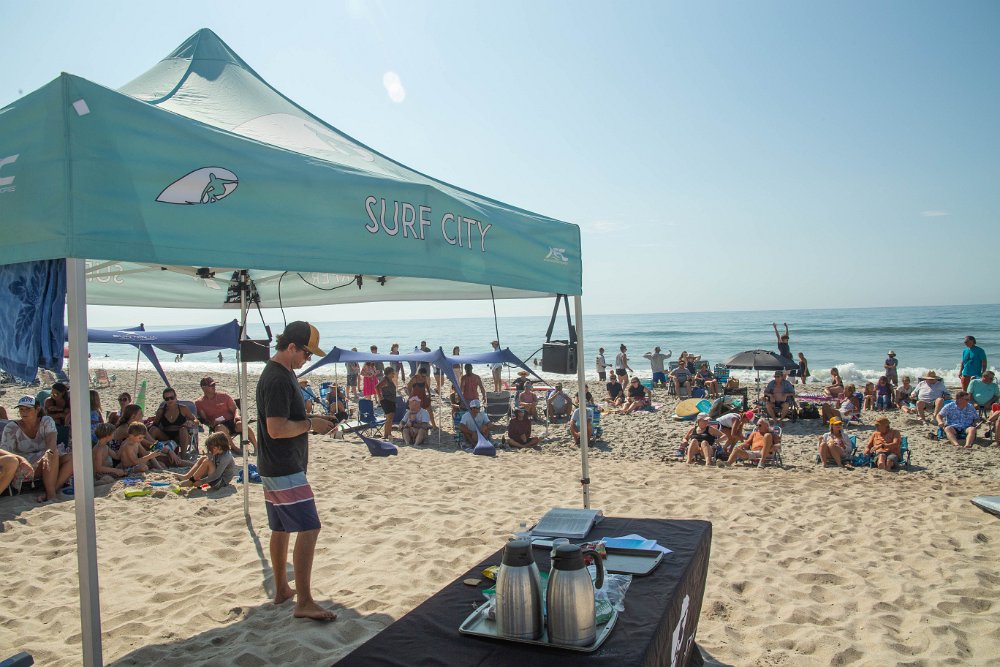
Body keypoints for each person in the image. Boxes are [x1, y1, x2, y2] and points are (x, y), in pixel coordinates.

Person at [256, 320, 339, 621]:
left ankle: (281, 589)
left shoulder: (283, 372)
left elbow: (284, 420)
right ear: (291, 347)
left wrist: (314, 421)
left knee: (281, 528)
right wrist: (310, 424)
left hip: (275, 464)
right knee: (309, 527)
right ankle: (304, 601)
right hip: (283, 466)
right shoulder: (277, 378)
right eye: (307, 353)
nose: (308, 359)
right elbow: (276, 429)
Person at [1, 396, 74, 501]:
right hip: (24, 463)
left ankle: (50, 491)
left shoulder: (46, 421)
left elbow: (51, 441)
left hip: (46, 457)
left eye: (28, 409)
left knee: (69, 457)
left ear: (37, 409)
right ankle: (51, 495)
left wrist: (47, 454)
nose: (24, 412)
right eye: (21, 409)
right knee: (52, 454)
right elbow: (6, 452)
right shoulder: (12, 427)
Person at [196, 376, 257, 454]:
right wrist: (211, 423)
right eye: (211, 385)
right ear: (204, 388)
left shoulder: (224, 396)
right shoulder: (200, 403)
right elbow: (204, 419)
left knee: (241, 424)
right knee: (220, 427)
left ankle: (256, 447)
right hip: (218, 425)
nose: (214, 387)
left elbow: (235, 409)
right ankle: (234, 448)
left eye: (214, 385)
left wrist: (236, 416)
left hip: (231, 421)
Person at [151, 387, 199, 457]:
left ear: (176, 397)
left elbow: (195, 420)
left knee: (183, 429)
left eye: (172, 397)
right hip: (166, 435)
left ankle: (183, 456)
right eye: (167, 399)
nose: (170, 400)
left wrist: (191, 422)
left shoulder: (183, 408)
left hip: (179, 436)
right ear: (164, 400)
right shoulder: (161, 411)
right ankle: (150, 452)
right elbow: (155, 424)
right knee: (153, 430)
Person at [376, 366, 398, 439]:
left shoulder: (389, 380)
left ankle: (389, 433)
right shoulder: (385, 379)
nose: (393, 374)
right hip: (386, 400)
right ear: (388, 373)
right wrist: (380, 396)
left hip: (391, 400)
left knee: (391, 418)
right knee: (389, 418)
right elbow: (377, 387)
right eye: (392, 373)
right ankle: (386, 435)